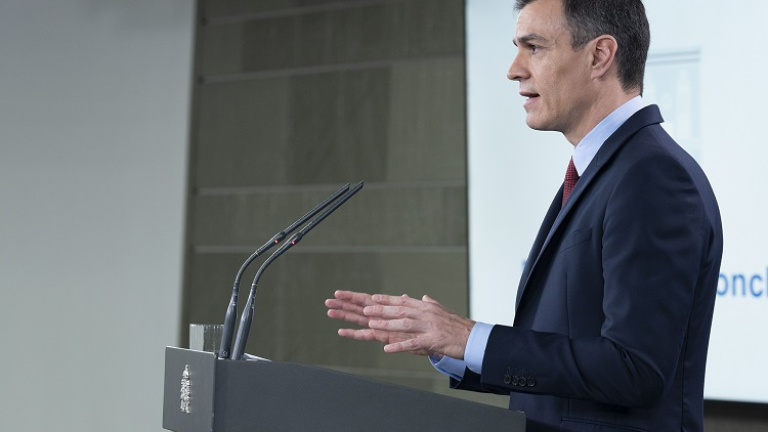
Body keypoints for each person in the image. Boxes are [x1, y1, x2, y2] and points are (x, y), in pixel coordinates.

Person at [325, 0, 723, 430]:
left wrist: (469, 337)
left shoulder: (652, 176)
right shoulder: (606, 169)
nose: (513, 70)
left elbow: (635, 369)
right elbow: (570, 365)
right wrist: (450, 345)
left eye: (534, 47)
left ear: (599, 56)